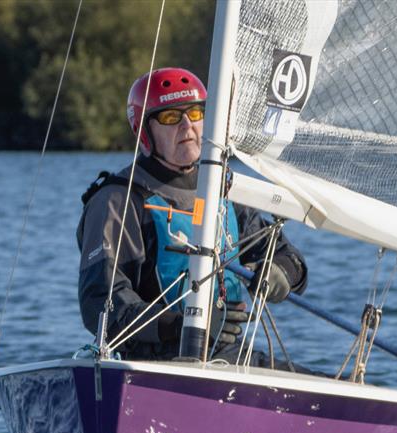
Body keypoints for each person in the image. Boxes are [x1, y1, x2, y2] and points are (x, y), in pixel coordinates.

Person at [77, 68, 307, 362]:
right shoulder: (116, 201)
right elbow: (99, 303)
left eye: (196, 113)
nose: (187, 126)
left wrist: (281, 271)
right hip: (150, 366)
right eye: (171, 117)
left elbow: (293, 261)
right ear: (144, 132)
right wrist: (181, 325)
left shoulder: (224, 191)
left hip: (229, 360)